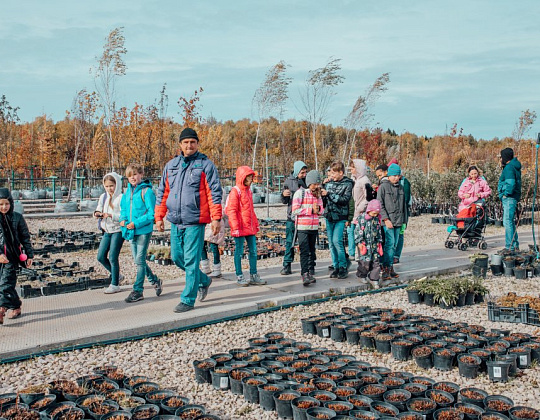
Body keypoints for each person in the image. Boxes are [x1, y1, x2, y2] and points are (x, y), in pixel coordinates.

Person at [155, 127, 222, 313]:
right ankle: (204, 280)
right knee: (177, 257)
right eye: (186, 142)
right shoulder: (171, 165)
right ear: (180, 145)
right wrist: (159, 216)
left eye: (192, 142)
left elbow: (214, 193)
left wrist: (216, 218)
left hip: (195, 220)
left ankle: (188, 299)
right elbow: (163, 192)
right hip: (176, 220)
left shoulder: (205, 165)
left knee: (191, 260)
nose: (189, 145)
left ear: (197, 144)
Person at [120, 164, 161, 303]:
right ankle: (155, 281)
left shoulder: (147, 192)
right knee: (139, 261)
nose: (133, 177)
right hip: (131, 230)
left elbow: (152, 214)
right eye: (130, 175)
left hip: (143, 230)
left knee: (139, 260)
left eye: (136, 174)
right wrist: (123, 220)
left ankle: (138, 290)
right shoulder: (127, 192)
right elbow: (124, 209)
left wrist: (136, 223)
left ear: (141, 175)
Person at [226, 166, 265, 287]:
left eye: (251, 177)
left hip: (249, 227)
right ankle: (239, 276)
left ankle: (254, 275)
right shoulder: (235, 191)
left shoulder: (249, 191)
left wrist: (256, 224)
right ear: (242, 178)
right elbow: (231, 210)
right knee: (239, 251)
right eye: (248, 177)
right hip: (240, 227)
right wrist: (235, 227)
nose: (251, 180)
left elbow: (251, 210)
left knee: (253, 251)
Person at [0, 188, 33, 324]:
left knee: (5, 283)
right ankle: (16, 306)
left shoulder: (17, 217)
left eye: (6, 204)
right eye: (1, 204)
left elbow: (25, 237)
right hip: (1, 256)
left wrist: (29, 254)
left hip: (12, 257)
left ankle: (1, 309)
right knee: (5, 284)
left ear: (11, 203)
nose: (4, 207)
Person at [322, 161, 354, 279]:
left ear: (341, 173)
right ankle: (335, 266)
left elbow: (344, 200)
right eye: (331, 172)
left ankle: (343, 266)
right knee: (331, 243)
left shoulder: (348, 184)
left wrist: (329, 194)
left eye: (334, 173)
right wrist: (322, 188)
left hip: (340, 217)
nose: (332, 175)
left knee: (337, 241)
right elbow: (324, 199)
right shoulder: (328, 183)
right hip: (329, 216)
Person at [291, 170, 324, 286]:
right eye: (314, 184)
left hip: (313, 227)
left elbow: (321, 210)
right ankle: (304, 273)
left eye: (318, 184)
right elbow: (295, 210)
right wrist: (310, 210)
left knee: (311, 250)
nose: (316, 186)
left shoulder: (318, 195)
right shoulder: (300, 194)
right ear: (309, 183)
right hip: (302, 227)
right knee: (304, 250)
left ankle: (310, 271)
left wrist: (319, 210)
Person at [94, 172, 125, 294]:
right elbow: (99, 207)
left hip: (117, 230)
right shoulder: (103, 197)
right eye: (107, 186)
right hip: (106, 230)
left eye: (111, 185)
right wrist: (97, 213)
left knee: (113, 257)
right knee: (101, 256)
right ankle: (117, 275)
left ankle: (115, 284)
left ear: (116, 185)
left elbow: (123, 215)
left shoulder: (121, 197)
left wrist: (112, 215)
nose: (109, 188)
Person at [377, 163, 408, 282]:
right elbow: (380, 204)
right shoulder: (383, 187)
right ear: (389, 175)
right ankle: (386, 268)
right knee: (389, 244)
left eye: (397, 175)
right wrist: (385, 219)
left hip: (398, 221)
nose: (396, 177)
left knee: (394, 244)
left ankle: (390, 267)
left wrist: (404, 220)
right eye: (393, 175)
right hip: (388, 222)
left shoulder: (400, 187)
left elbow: (403, 205)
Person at [280, 161, 307, 275]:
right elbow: (285, 201)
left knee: (304, 243)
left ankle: (307, 266)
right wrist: (283, 195)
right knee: (290, 242)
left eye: (305, 172)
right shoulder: (288, 182)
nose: (304, 174)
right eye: (302, 172)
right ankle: (287, 265)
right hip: (292, 216)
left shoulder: (307, 181)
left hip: (304, 216)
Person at [355, 199, 384, 288]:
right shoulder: (361, 218)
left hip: (374, 245)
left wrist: (379, 242)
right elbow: (357, 230)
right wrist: (359, 242)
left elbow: (379, 231)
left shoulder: (376, 219)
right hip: (364, 244)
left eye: (376, 214)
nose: (375, 215)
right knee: (364, 262)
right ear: (369, 210)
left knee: (376, 262)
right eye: (373, 213)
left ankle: (374, 279)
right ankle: (361, 275)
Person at [387, 158, 411, 265]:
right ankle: (390, 258)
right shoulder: (386, 185)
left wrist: (404, 219)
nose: (396, 177)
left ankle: (396, 255)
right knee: (391, 239)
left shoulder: (404, 183)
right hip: (392, 216)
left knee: (399, 236)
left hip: (400, 214)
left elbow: (405, 200)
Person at [498, 148, 522, 252]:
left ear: (505, 157)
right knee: (510, 222)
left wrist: (505, 194)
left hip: (509, 197)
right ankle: (514, 245)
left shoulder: (509, 168)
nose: (500, 159)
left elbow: (511, 183)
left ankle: (510, 247)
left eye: (501, 157)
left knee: (507, 221)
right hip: (513, 197)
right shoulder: (514, 167)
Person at [348, 159, 371, 261]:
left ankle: (362, 255)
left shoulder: (365, 181)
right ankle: (352, 253)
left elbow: (368, 198)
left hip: (361, 212)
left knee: (361, 234)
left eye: (353, 168)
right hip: (353, 211)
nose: (351, 170)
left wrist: (359, 209)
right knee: (352, 232)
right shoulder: (353, 180)